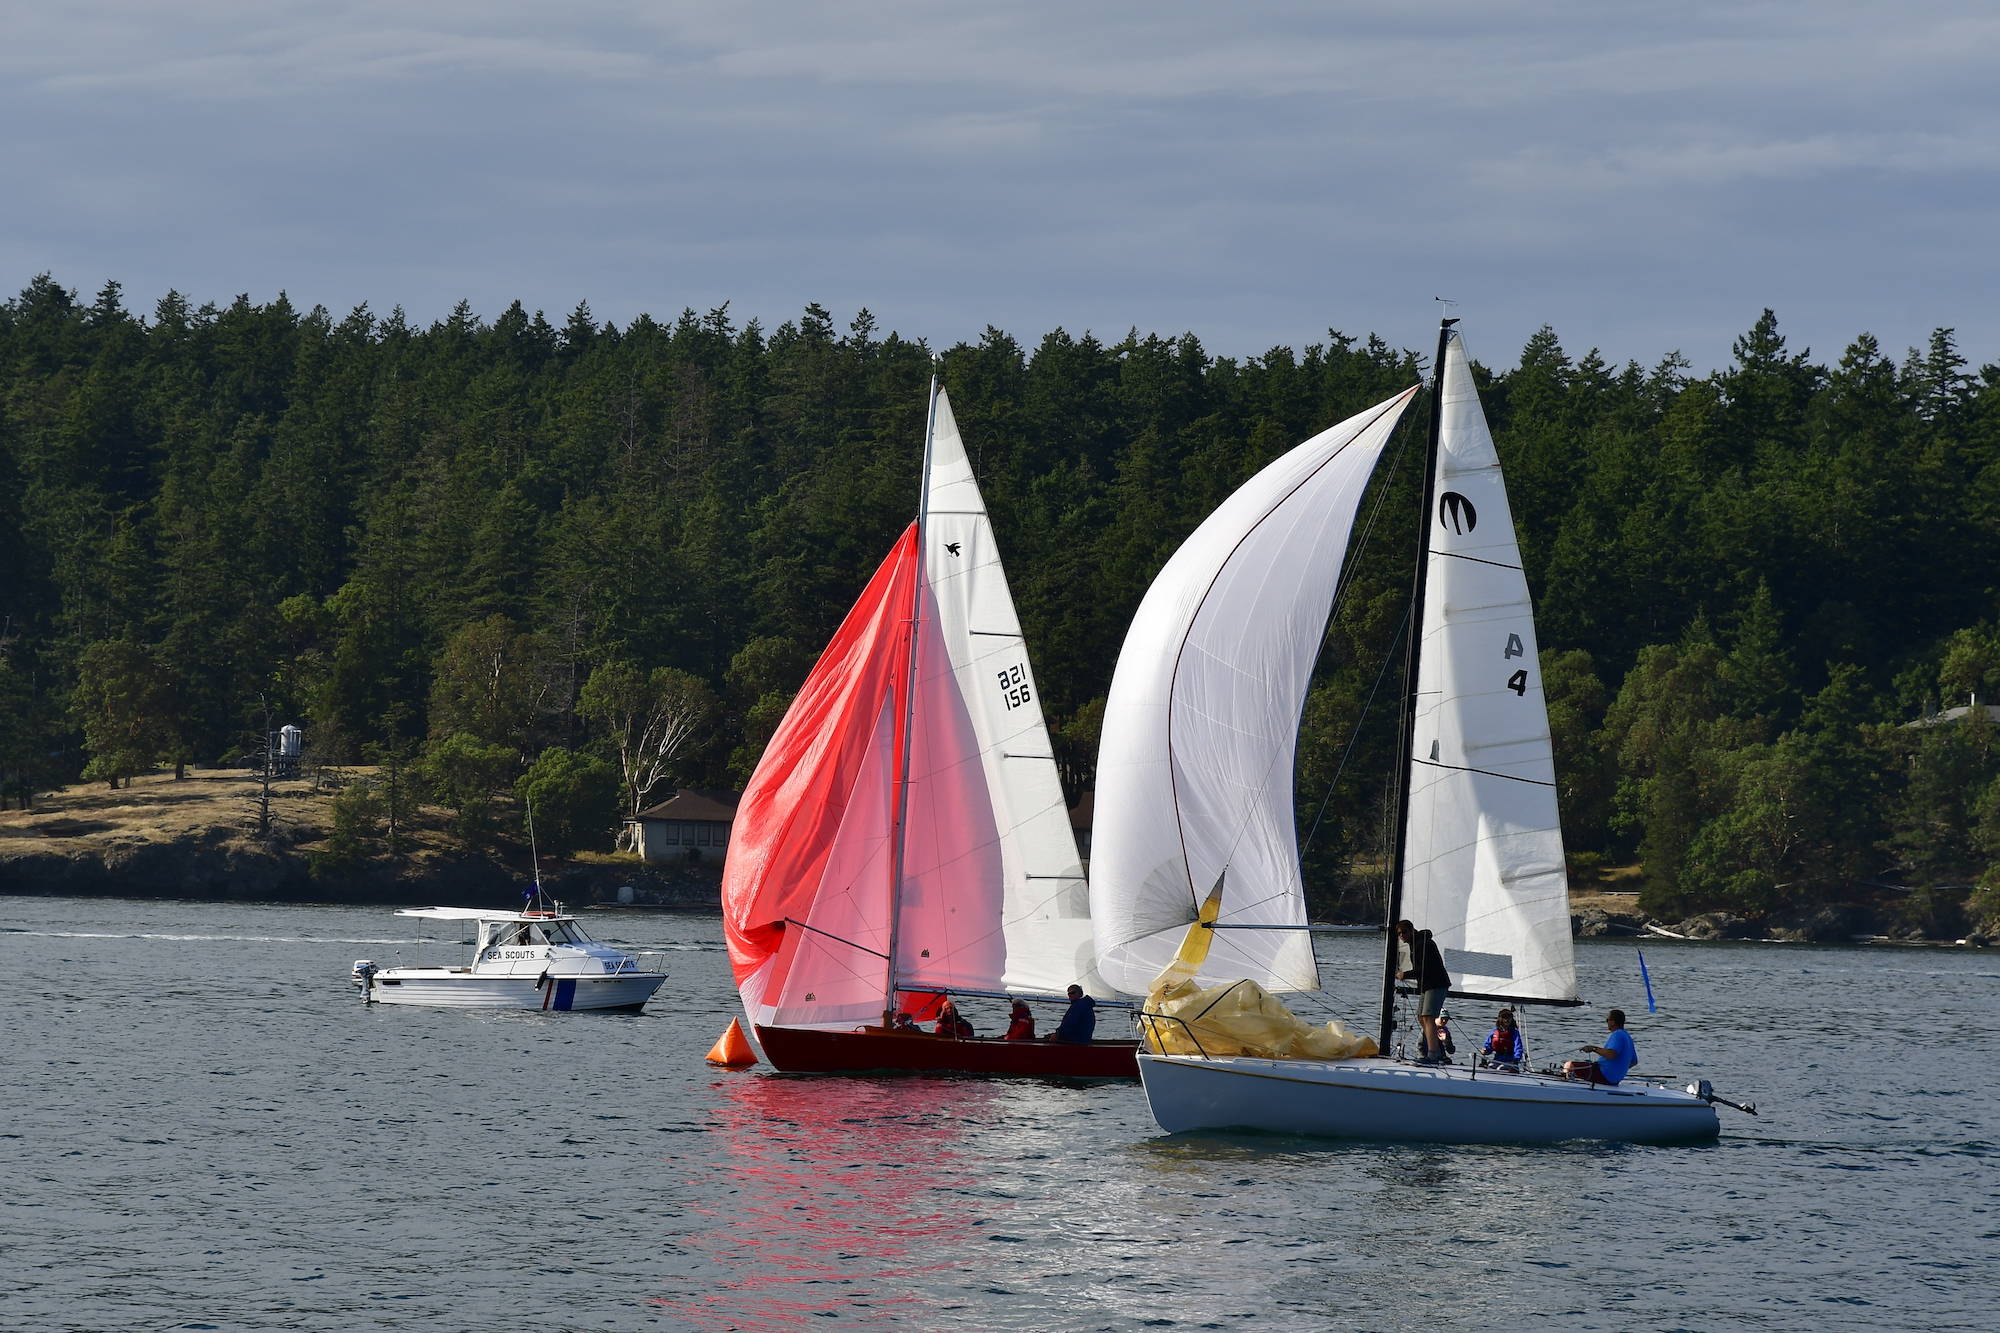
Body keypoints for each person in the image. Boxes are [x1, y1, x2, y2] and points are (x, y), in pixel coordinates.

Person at [1396, 920, 1453, 1062]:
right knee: (1422, 1018)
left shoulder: (1423, 944)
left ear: (1411, 930)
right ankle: (1438, 1051)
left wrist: (1405, 975)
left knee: (1428, 1017)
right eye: (1399, 933)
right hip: (1427, 986)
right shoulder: (1415, 944)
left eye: (1404, 932)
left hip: (1436, 984)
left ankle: (1433, 1054)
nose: (1402, 935)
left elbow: (1424, 969)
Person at [1565, 1009, 1637, 1085]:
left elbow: (1611, 1054)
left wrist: (1593, 1048)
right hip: (1614, 1079)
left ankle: (1565, 1083)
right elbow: (1634, 1061)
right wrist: (1618, 1069)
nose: (1607, 1022)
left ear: (1612, 1022)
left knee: (1569, 1065)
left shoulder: (1617, 1034)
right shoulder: (1628, 1037)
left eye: (1607, 1020)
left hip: (1603, 1075)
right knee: (1583, 1066)